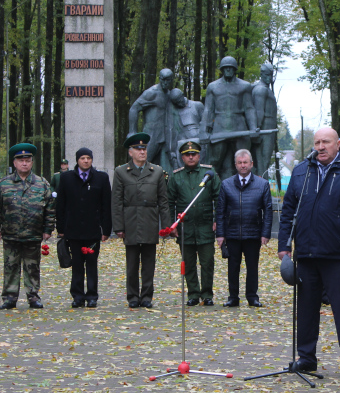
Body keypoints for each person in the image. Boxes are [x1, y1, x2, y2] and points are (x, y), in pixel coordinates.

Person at [277, 127, 340, 377]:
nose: (321, 146)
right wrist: (285, 246)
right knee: (306, 310)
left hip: (339, 254)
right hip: (306, 254)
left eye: (326, 142)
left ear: (338, 144)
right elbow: (288, 211)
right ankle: (307, 358)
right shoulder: (302, 171)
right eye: (317, 142)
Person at [0, 143, 54, 310]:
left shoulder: (42, 184)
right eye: (21, 160)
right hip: (11, 234)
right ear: (14, 163)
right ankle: (9, 298)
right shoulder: (3, 184)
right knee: (10, 267)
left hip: (33, 234)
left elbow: (50, 209)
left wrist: (48, 230)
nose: (24, 163)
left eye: (27, 160)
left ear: (32, 162)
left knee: (32, 267)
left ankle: (33, 296)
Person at [112, 132, 171, 309]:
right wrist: (118, 226)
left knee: (148, 263)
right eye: (138, 149)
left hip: (149, 221)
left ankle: (146, 296)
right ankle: (132, 296)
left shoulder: (157, 171)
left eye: (144, 149)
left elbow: (163, 201)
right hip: (130, 222)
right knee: (131, 264)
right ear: (130, 152)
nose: (142, 152)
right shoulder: (121, 172)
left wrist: (166, 226)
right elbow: (116, 201)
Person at [167, 140, 221, 306]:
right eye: (187, 155)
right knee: (188, 263)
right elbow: (169, 202)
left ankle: (207, 294)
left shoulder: (210, 174)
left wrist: (217, 220)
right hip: (185, 227)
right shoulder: (176, 176)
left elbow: (219, 198)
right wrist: (172, 224)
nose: (191, 157)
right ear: (182, 158)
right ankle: (193, 294)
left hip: (205, 226)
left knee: (207, 263)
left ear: (199, 155)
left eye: (194, 154)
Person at [55, 148, 112, 308]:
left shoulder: (101, 178)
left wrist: (106, 230)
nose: (86, 161)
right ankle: (78, 296)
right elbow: (61, 205)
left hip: (93, 231)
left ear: (92, 160)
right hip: (73, 231)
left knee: (92, 264)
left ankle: (92, 296)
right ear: (77, 160)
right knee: (77, 265)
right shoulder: (66, 178)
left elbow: (106, 206)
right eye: (82, 158)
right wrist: (60, 228)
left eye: (88, 158)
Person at [216, 149, 272, 307]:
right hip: (232, 233)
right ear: (235, 165)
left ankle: (252, 297)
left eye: (245, 162)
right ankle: (233, 297)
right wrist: (220, 234)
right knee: (233, 268)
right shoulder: (226, 184)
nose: (243, 165)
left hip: (253, 233)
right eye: (239, 163)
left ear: (251, 164)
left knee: (252, 268)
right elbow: (220, 211)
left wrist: (265, 233)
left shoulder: (263, 185)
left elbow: (268, 211)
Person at [201, 56, 259, 181]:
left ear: (235, 69)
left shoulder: (244, 86)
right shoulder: (213, 87)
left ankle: (247, 188)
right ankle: (209, 189)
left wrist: (253, 127)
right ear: (222, 69)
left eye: (230, 68)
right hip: (219, 128)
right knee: (213, 161)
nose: (228, 70)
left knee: (243, 161)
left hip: (239, 127)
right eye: (225, 68)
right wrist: (204, 131)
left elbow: (249, 108)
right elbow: (208, 110)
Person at [128, 69, 177, 173]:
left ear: (171, 80)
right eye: (163, 80)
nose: (165, 83)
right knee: (142, 163)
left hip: (165, 137)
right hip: (151, 135)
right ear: (159, 79)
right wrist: (132, 131)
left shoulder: (169, 94)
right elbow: (134, 108)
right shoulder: (151, 93)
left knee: (165, 169)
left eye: (168, 80)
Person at [250, 63, 278, 176]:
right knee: (262, 161)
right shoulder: (261, 90)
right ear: (261, 74)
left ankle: (262, 184)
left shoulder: (264, 89)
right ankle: (260, 185)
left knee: (264, 161)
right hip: (265, 128)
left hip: (269, 127)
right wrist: (257, 129)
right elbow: (259, 111)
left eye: (271, 75)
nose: (269, 78)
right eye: (267, 75)